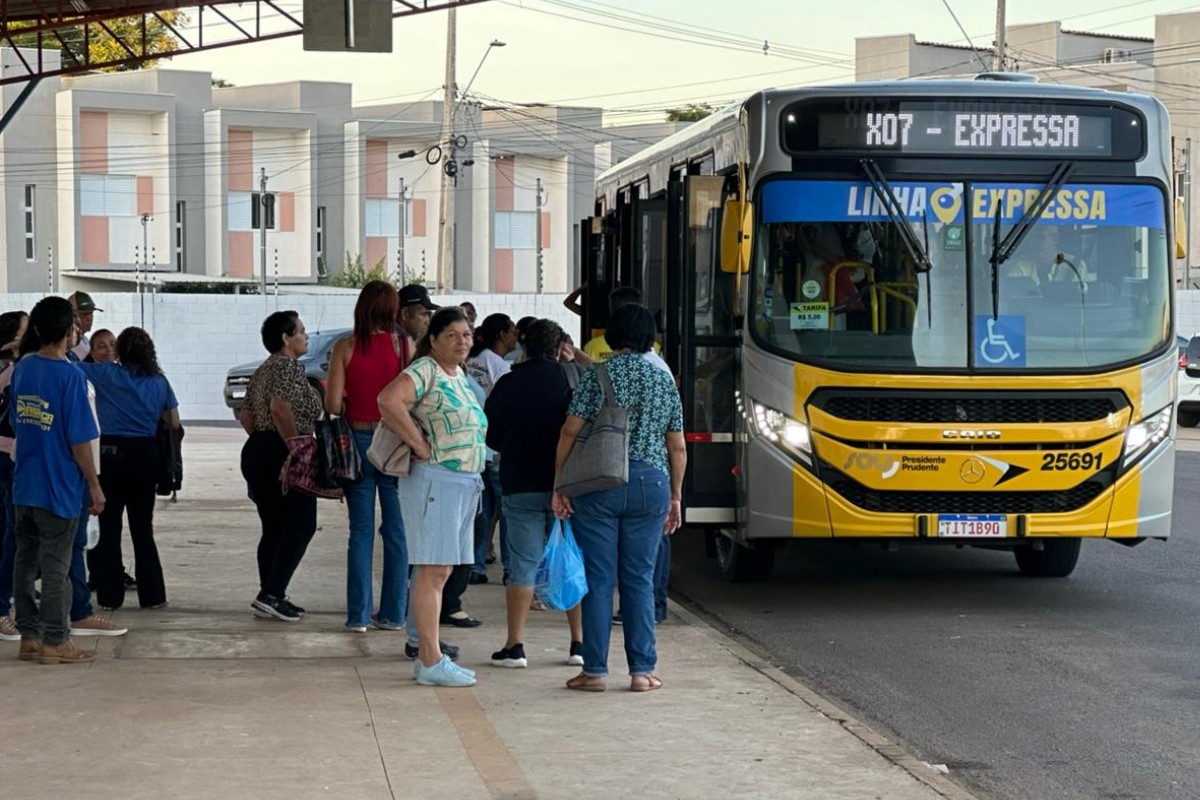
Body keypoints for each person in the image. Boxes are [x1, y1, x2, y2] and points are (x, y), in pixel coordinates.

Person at [553, 303, 686, 693]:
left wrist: (560, 483)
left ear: (611, 335)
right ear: (650, 337)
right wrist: (676, 496)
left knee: (598, 578)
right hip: (652, 484)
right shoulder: (664, 381)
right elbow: (676, 446)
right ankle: (642, 672)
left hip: (599, 482)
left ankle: (594, 671)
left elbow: (569, 431)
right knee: (639, 579)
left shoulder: (598, 375)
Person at [378, 306, 486, 688]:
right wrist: (419, 444)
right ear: (435, 339)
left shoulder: (458, 374)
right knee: (433, 568)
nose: (462, 341)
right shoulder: (424, 369)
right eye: (453, 335)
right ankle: (429, 658)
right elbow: (388, 400)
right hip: (436, 480)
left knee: (442, 569)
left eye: (467, 335)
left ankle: (430, 652)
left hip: (462, 481)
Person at [9, 296, 105, 664]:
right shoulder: (70, 376)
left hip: (25, 485)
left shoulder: (25, 368)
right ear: (71, 330)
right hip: (58, 488)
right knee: (56, 568)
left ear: (35, 329)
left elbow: (19, 422)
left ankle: (29, 637)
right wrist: (94, 485)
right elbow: (80, 439)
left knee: (24, 561)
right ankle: (56, 640)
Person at [485, 318, 584, 668]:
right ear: (560, 348)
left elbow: (490, 436)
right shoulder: (572, 379)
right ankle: (579, 644)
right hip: (568, 486)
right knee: (571, 560)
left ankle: (515, 646)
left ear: (524, 347)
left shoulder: (508, 382)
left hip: (520, 482)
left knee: (523, 566)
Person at [324, 281, 409, 633]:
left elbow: (331, 405)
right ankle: (393, 614)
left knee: (360, 533)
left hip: (356, 444)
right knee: (397, 531)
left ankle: (358, 617)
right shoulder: (405, 346)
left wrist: (348, 399)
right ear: (393, 310)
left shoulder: (345, 346)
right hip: (394, 443)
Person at [78, 327, 179, 611]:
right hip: (145, 456)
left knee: (109, 527)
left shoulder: (106, 374)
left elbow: (72, 364)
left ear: (121, 350)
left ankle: (110, 596)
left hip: (110, 456)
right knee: (142, 528)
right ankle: (153, 596)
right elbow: (173, 422)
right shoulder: (159, 381)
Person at [238, 311, 323, 622]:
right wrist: (293, 447)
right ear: (287, 338)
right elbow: (280, 408)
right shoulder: (288, 367)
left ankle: (271, 593)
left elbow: (246, 415)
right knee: (302, 524)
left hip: (259, 448)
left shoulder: (262, 370)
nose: (306, 336)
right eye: (300, 331)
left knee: (273, 526)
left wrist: (265, 441)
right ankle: (272, 593)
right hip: (283, 449)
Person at [0, 310, 27, 641]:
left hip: (8, 453)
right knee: (13, 532)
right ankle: (2, 605)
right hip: (9, 453)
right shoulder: (13, 370)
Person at [67, 291, 102, 362]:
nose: (90, 318)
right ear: (71, 315)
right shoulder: (71, 343)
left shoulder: (85, 340)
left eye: (91, 313)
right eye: (84, 314)